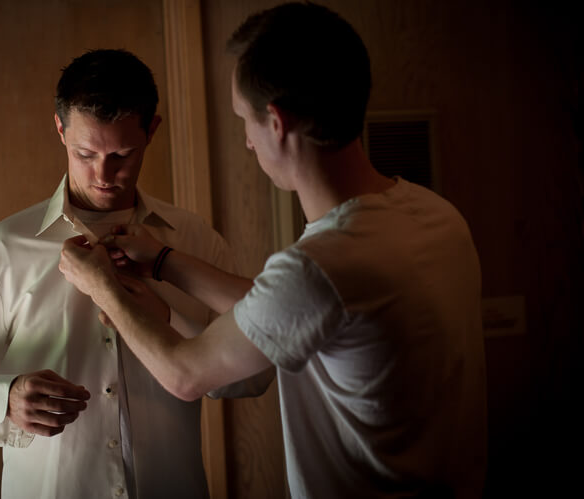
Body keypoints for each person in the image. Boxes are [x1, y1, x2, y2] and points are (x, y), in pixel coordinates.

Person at [58, 3, 488, 498]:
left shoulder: (319, 266)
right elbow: (293, 306)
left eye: (245, 119)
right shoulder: (434, 214)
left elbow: (185, 373)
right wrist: (162, 261)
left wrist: (102, 286)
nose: (246, 141)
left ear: (277, 123)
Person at [0, 49, 272, 499]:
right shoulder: (1, 249)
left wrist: (167, 319)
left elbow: (254, 376)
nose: (103, 175)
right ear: (60, 129)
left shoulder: (195, 241)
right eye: (85, 153)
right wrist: (4, 396)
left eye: (122, 154)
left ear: (151, 130)